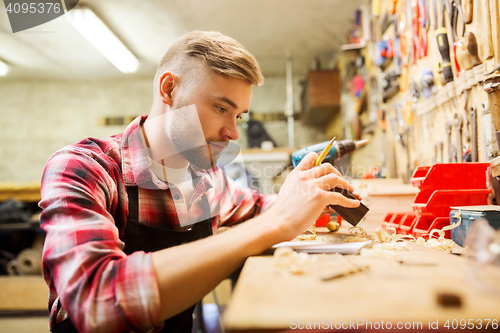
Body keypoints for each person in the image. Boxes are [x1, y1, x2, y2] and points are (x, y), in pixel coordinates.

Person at [39, 31, 361, 333]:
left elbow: (261, 207)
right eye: (221, 108)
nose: (233, 133)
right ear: (168, 89)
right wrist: (274, 224)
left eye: (239, 116)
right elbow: (95, 303)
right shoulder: (85, 168)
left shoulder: (206, 181)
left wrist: (309, 194)